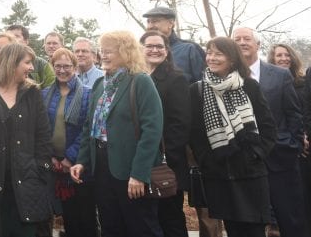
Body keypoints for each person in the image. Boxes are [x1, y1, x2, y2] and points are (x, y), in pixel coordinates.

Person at [71, 30, 164, 237]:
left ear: (125, 52)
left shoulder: (140, 81)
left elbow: (152, 131)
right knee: (111, 226)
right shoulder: (99, 84)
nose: (103, 55)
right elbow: (90, 127)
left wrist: (139, 174)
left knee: (141, 227)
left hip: (131, 168)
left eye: (109, 51)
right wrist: (82, 161)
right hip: (102, 167)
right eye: (101, 51)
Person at [189, 36, 276, 237]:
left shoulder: (249, 86)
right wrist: (207, 160)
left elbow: (268, 127)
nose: (212, 58)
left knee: (254, 230)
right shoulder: (197, 90)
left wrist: (257, 153)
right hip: (219, 173)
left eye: (218, 53)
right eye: (209, 53)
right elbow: (195, 134)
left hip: (251, 172)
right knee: (233, 229)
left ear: (232, 58)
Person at [0, 42, 53, 237]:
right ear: (12, 63)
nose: (31, 68)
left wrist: (39, 167)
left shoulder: (32, 94)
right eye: (27, 62)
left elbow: (43, 135)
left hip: (28, 181)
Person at [233, 27, 306, 237]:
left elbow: (294, 114)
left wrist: (294, 145)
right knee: (249, 224)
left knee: (290, 219)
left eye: (247, 38)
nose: (242, 42)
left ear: (258, 45)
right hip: (243, 162)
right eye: (237, 39)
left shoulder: (280, 75)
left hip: (281, 157)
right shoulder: (224, 77)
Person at [141, 30, 191, 237]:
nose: (154, 50)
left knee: (170, 218)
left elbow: (180, 124)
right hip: (140, 160)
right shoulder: (135, 76)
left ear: (166, 50)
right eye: (149, 46)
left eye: (159, 46)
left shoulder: (175, 78)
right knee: (147, 219)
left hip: (166, 162)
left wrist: (160, 155)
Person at [42, 48, 97, 237]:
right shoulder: (45, 94)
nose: (62, 70)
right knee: (68, 217)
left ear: (74, 67)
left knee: (86, 215)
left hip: (79, 165)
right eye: (58, 66)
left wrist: (70, 157)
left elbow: (88, 129)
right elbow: (42, 129)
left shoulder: (89, 94)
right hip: (55, 166)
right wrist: (52, 157)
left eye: (67, 66)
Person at [267, 42, 311, 237]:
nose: (284, 58)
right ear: (272, 59)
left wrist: (304, 136)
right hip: (287, 146)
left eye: (287, 55)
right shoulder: (267, 84)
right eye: (279, 55)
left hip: (302, 143)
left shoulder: (302, 82)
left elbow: (303, 112)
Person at [142, 6, 205, 83]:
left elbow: (203, 84)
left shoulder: (189, 49)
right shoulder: (141, 51)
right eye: (148, 22)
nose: (150, 26)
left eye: (155, 21)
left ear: (171, 23)